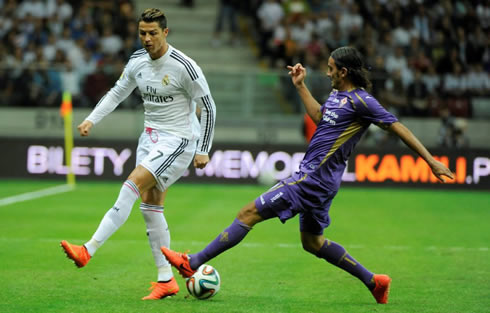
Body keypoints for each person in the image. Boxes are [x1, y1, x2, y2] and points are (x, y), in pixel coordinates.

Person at [160, 46, 454, 304]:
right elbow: (318, 117)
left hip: (312, 180)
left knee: (247, 213)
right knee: (312, 243)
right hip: (321, 182)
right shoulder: (338, 96)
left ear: (344, 71)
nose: (327, 73)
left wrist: (431, 161)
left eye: (330, 69)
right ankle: (375, 282)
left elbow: (397, 126)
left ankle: (191, 263)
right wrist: (300, 86)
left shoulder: (363, 101)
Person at [60, 8, 216, 300]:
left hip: (179, 139)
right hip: (149, 137)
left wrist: (203, 149)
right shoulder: (136, 61)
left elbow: (208, 106)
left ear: (165, 33)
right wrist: (92, 119)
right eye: (142, 33)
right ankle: (166, 280)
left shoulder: (185, 66)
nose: (147, 39)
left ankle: (88, 250)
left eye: (153, 33)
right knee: (150, 206)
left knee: (131, 185)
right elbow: (118, 92)